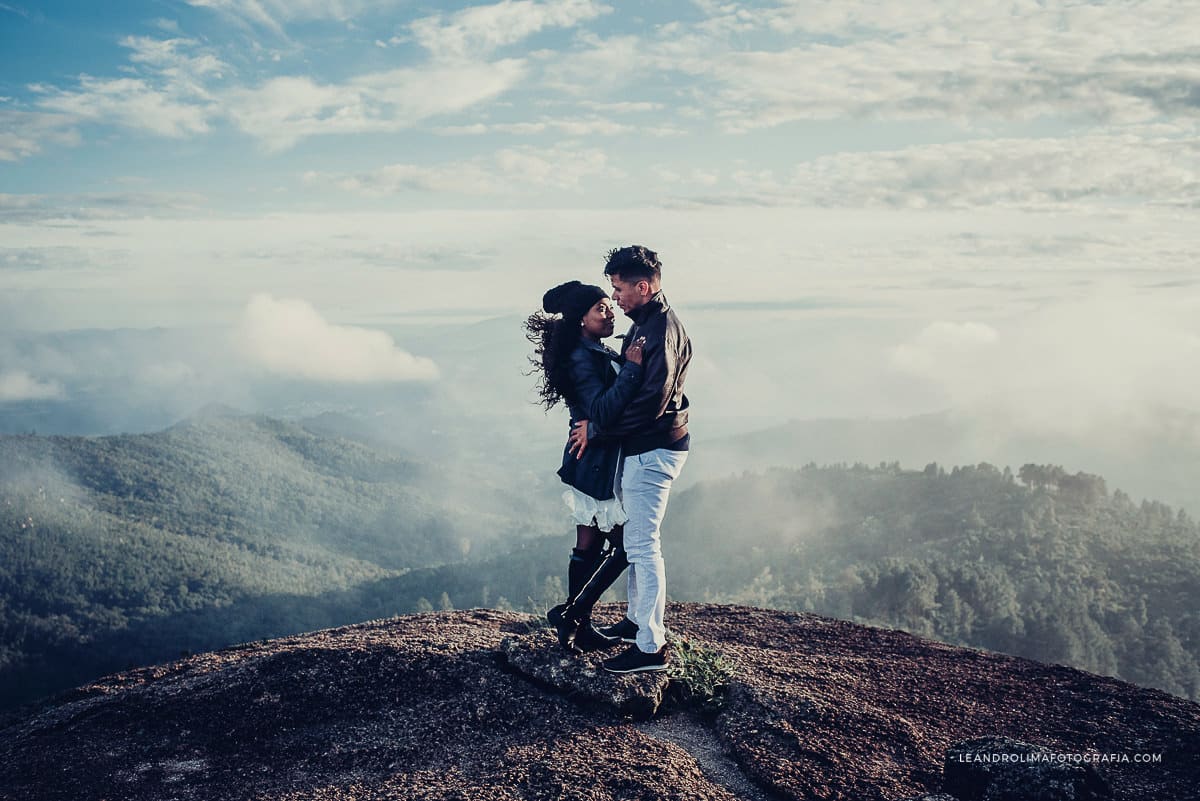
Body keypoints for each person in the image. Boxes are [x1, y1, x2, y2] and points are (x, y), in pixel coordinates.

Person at [568, 245, 691, 674]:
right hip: (642, 447)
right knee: (638, 542)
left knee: (642, 545)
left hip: (652, 448)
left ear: (643, 286)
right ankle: (637, 622)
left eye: (619, 289)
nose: (615, 298)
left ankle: (651, 647)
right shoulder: (646, 324)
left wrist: (598, 430)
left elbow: (650, 405)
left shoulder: (659, 332)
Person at [524, 280, 647, 653]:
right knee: (626, 547)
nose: (609, 310)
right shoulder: (582, 356)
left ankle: (577, 625)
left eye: (607, 305)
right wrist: (631, 369)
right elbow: (601, 411)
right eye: (600, 308)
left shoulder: (589, 348)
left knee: (589, 544)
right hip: (595, 463)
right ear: (581, 319)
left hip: (590, 459)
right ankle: (575, 615)